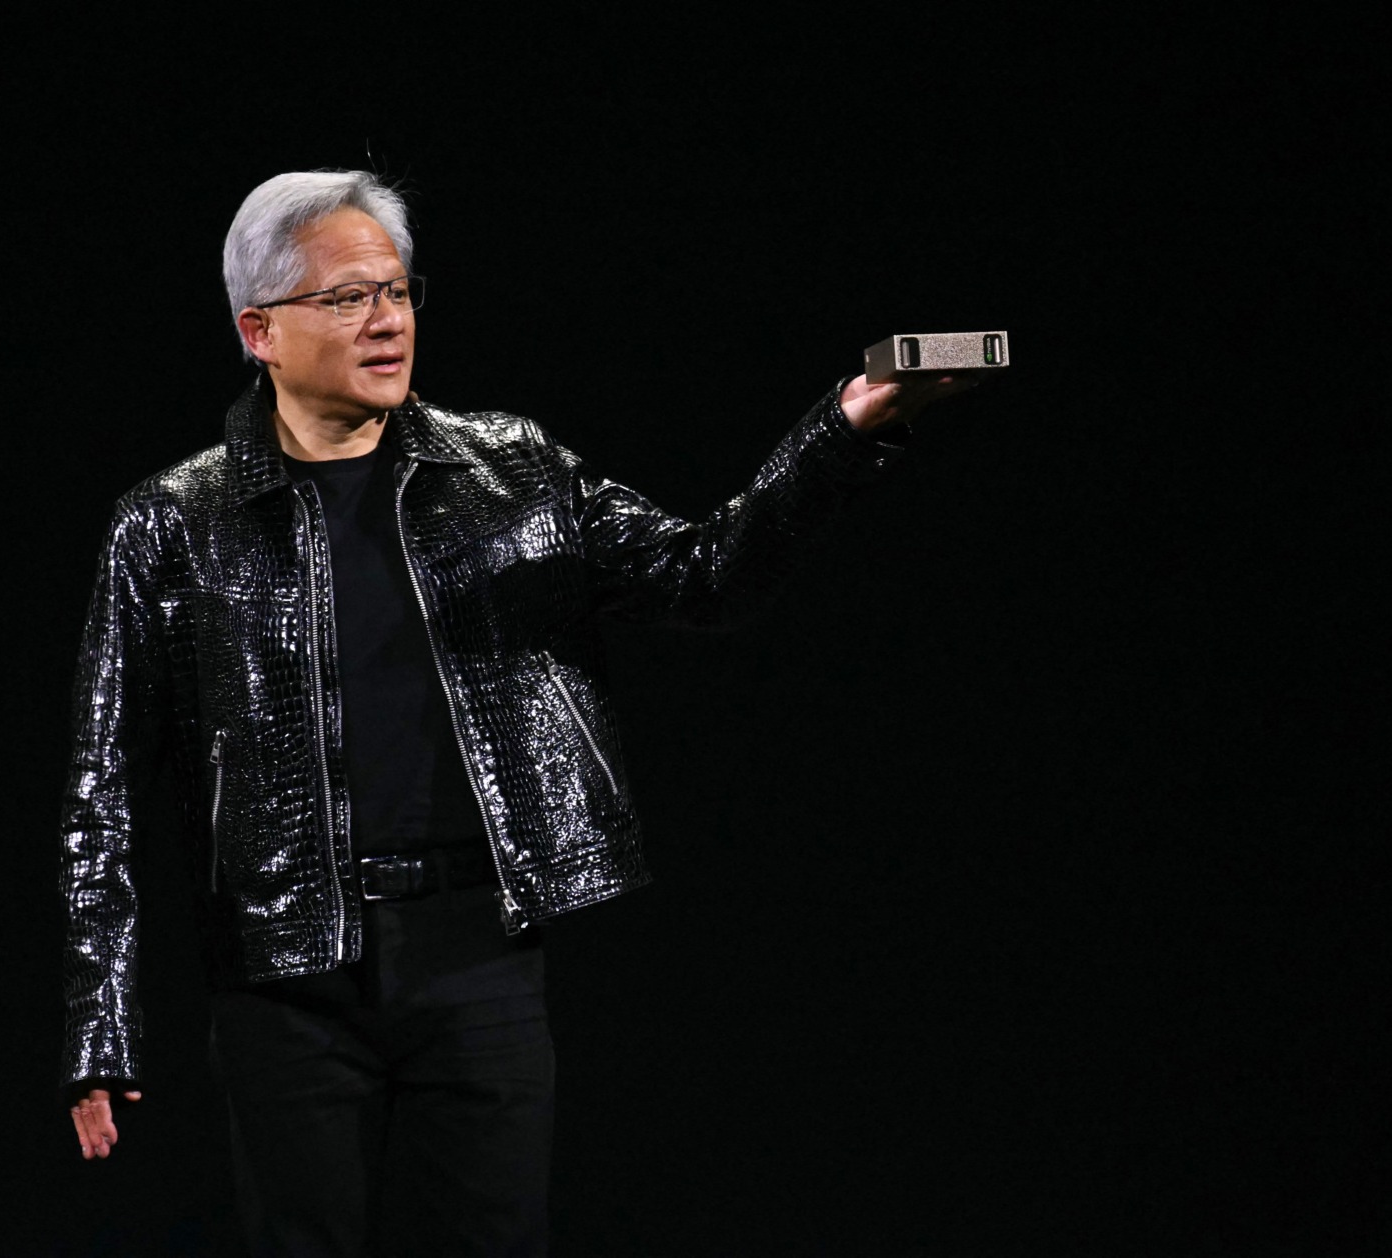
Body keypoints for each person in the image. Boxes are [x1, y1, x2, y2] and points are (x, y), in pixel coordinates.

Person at [58, 169, 965, 1255]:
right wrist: (101, 1027)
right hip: (284, 970)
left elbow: (703, 574)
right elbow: (100, 791)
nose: (386, 320)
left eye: (395, 290)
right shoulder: (172, 524)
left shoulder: (510, 471)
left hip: (475, 952)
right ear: (260, 329)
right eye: (345, 298)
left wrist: (844, 430)